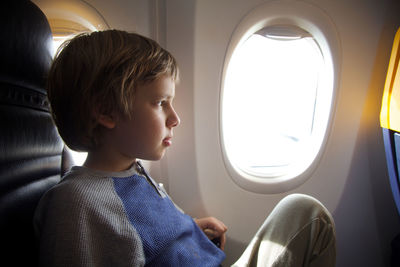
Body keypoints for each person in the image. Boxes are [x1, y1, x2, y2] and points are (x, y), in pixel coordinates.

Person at [34, 30, 336, 267]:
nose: (175, 118)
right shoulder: (76, 203)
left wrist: (188, 229)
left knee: (307, 214)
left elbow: (141, 234)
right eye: (160, 103)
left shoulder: (132, 172)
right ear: (106, 112)